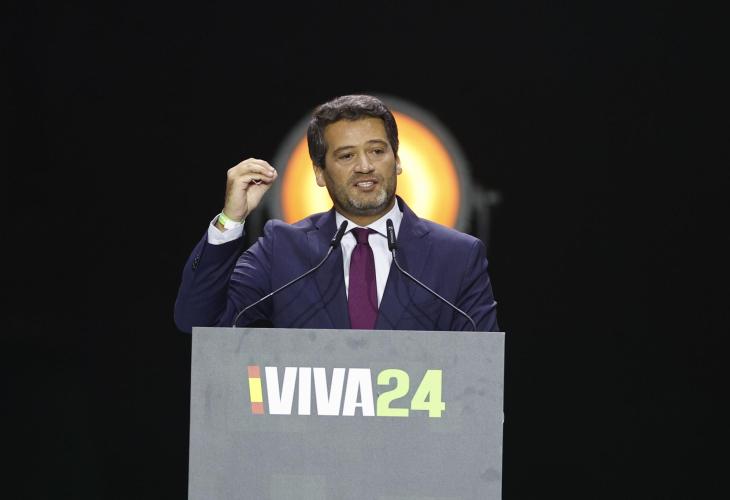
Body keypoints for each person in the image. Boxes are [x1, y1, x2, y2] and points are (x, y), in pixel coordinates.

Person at [174, 95, 498, 332]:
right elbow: (198, 322)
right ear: (319, 173)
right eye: (346, 156)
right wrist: (230, 221)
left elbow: (481, 372)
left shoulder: (458, 256)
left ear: (397, 160)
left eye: (377, 151)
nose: (365, 166)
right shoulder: (281, 248)